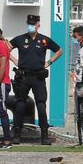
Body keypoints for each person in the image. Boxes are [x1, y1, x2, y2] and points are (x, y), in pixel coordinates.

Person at [9, 14, 63, 145]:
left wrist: (49, 62)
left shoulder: (44, 40)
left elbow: (59, 50)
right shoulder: (20, 39)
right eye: (29, 23)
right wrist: (15, 61)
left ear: (38, 25)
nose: (30, 26)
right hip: (23, 77)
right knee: (20, 104)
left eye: (33, 24)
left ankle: (44, 136)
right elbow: (6, 49)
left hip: (38, 77)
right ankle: (17, 134)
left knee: (41, 105)